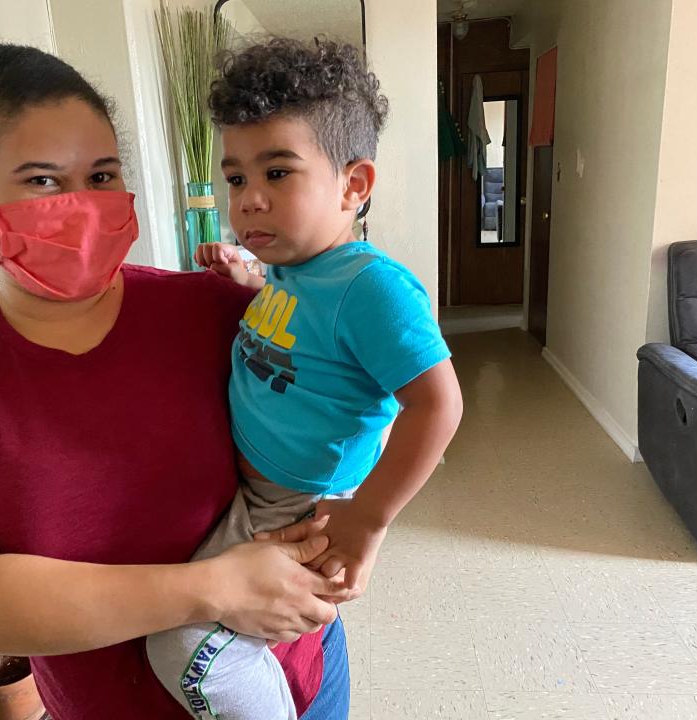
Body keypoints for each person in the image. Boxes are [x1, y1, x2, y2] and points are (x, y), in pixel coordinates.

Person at [0, 43, 352, 720]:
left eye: (101, 174)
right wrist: (208, 590)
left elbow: (332, 436)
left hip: (294, 676)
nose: (83, 206)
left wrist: (353, 540)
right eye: (42, 181)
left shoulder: (214, 310)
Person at [147, 38, 463, 720]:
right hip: (250, 481)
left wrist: (367, 522)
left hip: (289, 504)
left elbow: (438, 406)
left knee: (182, 644)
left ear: (354, 185)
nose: (250, 200)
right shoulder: (296, 270)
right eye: (236, 180)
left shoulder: (372, 287)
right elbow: (304, 329)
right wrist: (250, 282)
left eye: (278, 174)